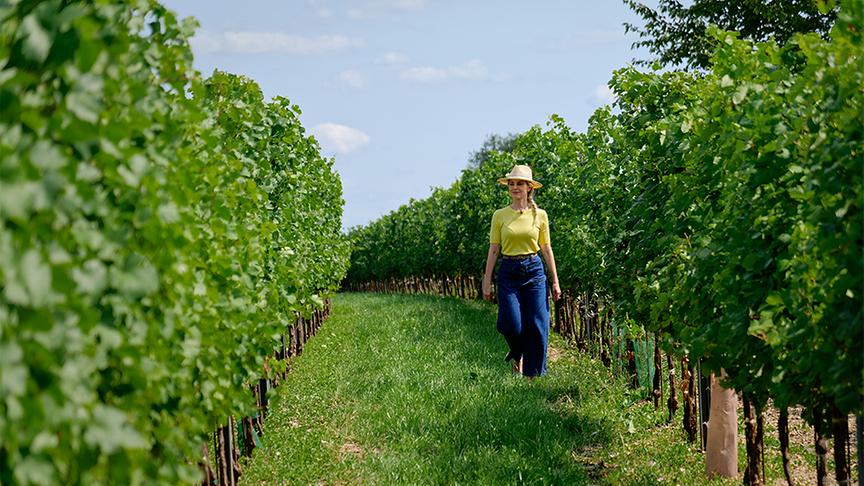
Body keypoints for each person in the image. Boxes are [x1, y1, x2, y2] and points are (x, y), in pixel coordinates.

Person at [482, 164, 561, 377]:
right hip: (508, 270)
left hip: (534, 270)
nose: (515, 187)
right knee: (509, 323)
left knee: (537, 324)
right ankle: (518, 353)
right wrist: (487, 279)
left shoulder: (540, 215)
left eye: (519, 184)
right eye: (512, 184)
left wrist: (555, 280)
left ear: (529, 188)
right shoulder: (500, 215)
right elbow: (494, 249)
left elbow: (546, 248)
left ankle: (533, 375)